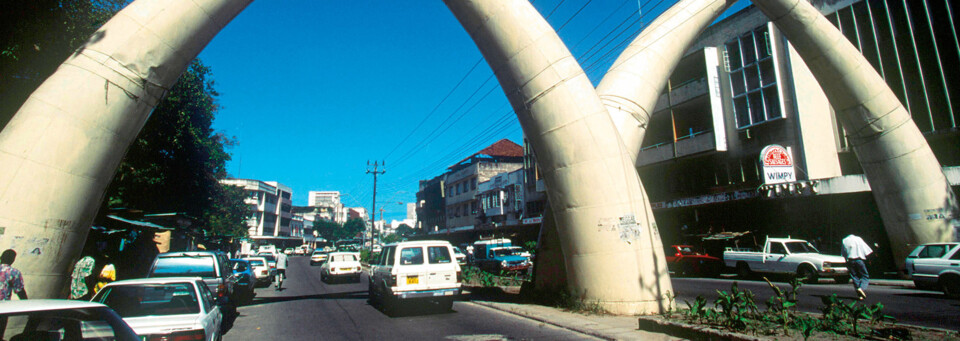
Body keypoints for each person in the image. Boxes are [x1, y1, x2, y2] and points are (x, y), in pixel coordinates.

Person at [841, 234, 873, 300]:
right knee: (865, 276)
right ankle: (861, 288)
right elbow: (866, 249)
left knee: (854, 276)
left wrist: (846, 262)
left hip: (850, 260)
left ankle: (860, 294)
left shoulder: (844, 240)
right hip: (859, 260)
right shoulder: (858, 239)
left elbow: (843, 253)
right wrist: (869, 259)